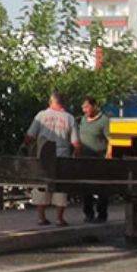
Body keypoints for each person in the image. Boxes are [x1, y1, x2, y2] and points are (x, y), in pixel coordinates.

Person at [23, 91, 80, 226]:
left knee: (41, 186)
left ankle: (41, 217)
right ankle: (59, 218)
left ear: (50, 102)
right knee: (60, 187)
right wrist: (75, 158)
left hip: (43, 156)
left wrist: (28, 146)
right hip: (62, 157)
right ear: (63, 102)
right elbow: (76, 144)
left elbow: (29, 136)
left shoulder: (41, 116)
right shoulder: (69, 118)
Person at [78, 96, 111, 223]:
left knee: (101, 188)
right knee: (86, 187)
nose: (85, 110)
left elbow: (110, 140)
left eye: (87, 107)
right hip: (85, 159)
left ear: (94, 106)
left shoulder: (104, 121)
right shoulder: (83, 120)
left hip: (99, 159)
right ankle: (88, 213)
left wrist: (108, 154)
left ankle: (102, 214)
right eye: (83, 107)